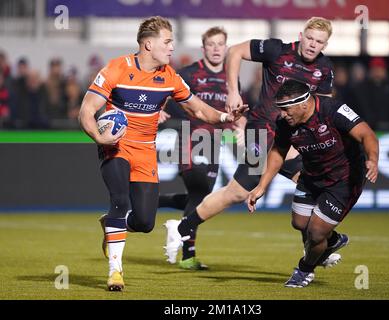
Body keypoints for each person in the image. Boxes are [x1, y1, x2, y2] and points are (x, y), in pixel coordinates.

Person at [79, 16, 245, 291]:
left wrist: (227, 117)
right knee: (119, 200)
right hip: (116, 146)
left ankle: (110, 225)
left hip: (145, 151)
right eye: (167, 42)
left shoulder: (169, 76)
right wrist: (99, 137)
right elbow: (86, 110)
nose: (172, 48)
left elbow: (199, 110)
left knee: (144, 222)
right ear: (148, 44)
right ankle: (115, 272)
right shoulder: (117, 69)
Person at [164, 17, 341, 267]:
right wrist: (233, 91)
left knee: (235, 192)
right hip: (262, 130)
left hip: (292, 136)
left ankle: (182, 225)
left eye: (319, 42)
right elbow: (235, 51)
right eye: (310, 38)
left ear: (325, 44)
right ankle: (317, 245)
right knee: (309, 182)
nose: (313, 45)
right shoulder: (276, 50)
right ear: (301, 35)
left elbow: (321, 106)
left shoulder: (325, 68)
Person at [247, 80, 379, 287]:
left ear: (304, 104)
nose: (282, 114)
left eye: (286, 109)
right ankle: (334, 240)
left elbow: (366, 134)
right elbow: (278, 152)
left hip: (343, 181)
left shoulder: (333, 110)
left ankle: (304, 270)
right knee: (299, 223)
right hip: (311, 176)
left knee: (316, 233)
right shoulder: (285, 123)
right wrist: (262, 186)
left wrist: (372, 159)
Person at [158, 26, 245, 270]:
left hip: (215, 143)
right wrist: (158, 109)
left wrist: (239, 128)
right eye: (211, 44)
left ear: (226, 47)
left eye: (220, 44)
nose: (216, 49)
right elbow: (164, 87)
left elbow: (233, 112)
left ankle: (158, 201)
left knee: (202, 198)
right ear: (203, 47)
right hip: (191, 138)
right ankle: (188, 255)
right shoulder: (190, 72)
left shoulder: (231, 78)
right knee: (199, 193)